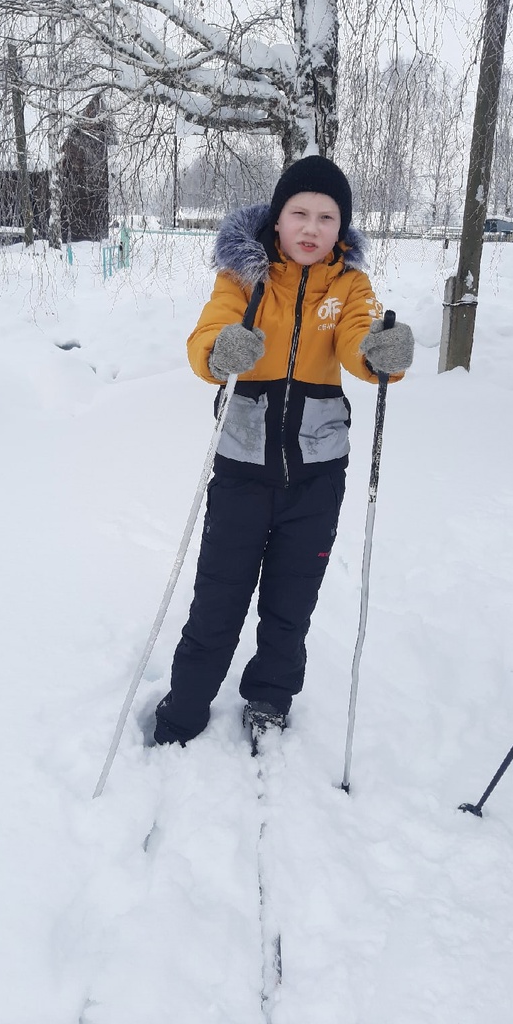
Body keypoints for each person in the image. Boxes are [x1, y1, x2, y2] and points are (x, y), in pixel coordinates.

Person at [152, 155, 414, 748]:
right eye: (299, 212)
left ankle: (269, 696)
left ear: (341, 228)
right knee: (218, 597)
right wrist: (224, 351)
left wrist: (380, 354)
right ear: (277, 218)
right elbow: (205, 339)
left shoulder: (350, 286)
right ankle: (184, 709)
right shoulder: (241, 278)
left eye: (327, 216)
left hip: (317, 477)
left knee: (290, 603)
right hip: (241, 470)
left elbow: (358, 342)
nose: (311, 227)